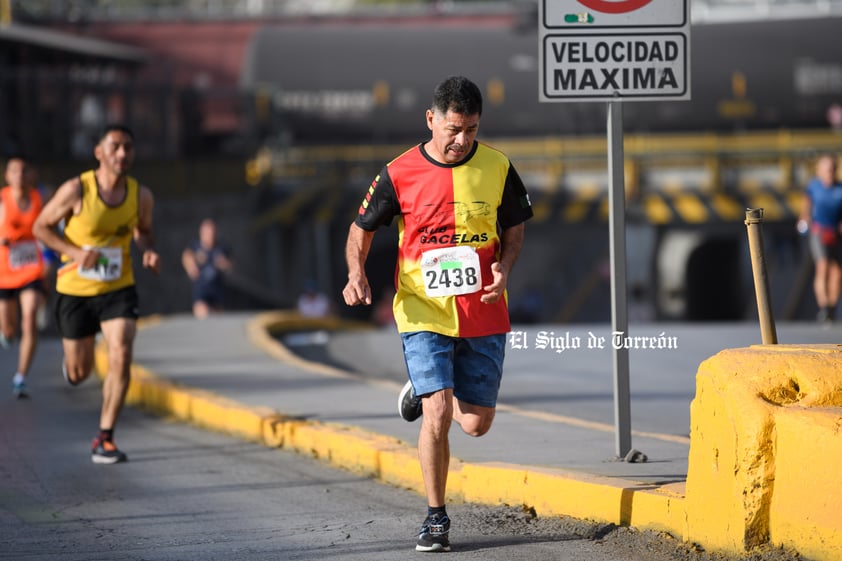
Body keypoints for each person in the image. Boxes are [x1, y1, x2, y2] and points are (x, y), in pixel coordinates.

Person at [342, 76, 532, 552]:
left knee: (475, 424)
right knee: (439, 411)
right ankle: (435, 517)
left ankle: (422, 385)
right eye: (452, 128)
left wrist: (505, 269)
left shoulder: (498, 167)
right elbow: (360, 230)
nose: (461, 140)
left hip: (483, 312)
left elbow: (513, 229)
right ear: (431, 120)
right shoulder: (398, 172)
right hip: (422, 310)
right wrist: (356, 274)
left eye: (470, 129)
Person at [32, 124, 160, 464]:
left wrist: (147, 250)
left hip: (118, 288)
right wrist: (74, 253)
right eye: (115, 146)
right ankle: (74, 365)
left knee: (121, 349)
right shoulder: (77, 190)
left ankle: (105, 437)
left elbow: (143, 233)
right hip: (75, 290)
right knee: (79, 373)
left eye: (128, 147)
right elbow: (40, 227)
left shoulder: (140, 195)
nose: (122, 154)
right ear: (99, 152)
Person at [0, 154, 46, 398]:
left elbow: (50, 229)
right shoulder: (2, 200)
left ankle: (21, 377)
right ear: (7, 175)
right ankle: (6, 333)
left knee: (29, 319)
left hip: (31, 269)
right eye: (14, 171)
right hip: (5, 273)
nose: (19, 175)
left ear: (31, 174)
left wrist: (49, 259)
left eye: (24, 171)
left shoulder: (40, 198)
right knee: (8, 330)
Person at [798, 153, 842, 323]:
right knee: (823, 265)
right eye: (827, 169)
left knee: (837, 271)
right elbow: (807, 207)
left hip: (836, 232)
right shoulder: (814, 187)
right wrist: (804, 219)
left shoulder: (840, 189)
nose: (830, 173)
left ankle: (831, 306)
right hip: (819, 231)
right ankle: (823, 306)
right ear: (820, 171)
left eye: (833, 169)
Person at [181, 218, 232, 319]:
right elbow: (186, 256)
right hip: (202, 290)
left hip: (217, 290)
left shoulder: (222, 248)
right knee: (202, 316)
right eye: (207, 232)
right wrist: (191, 267)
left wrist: (223, 264)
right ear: (201, 233)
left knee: (217, 321)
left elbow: (230, 266)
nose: (210, 235)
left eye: (212, 232)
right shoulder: (196, 247)